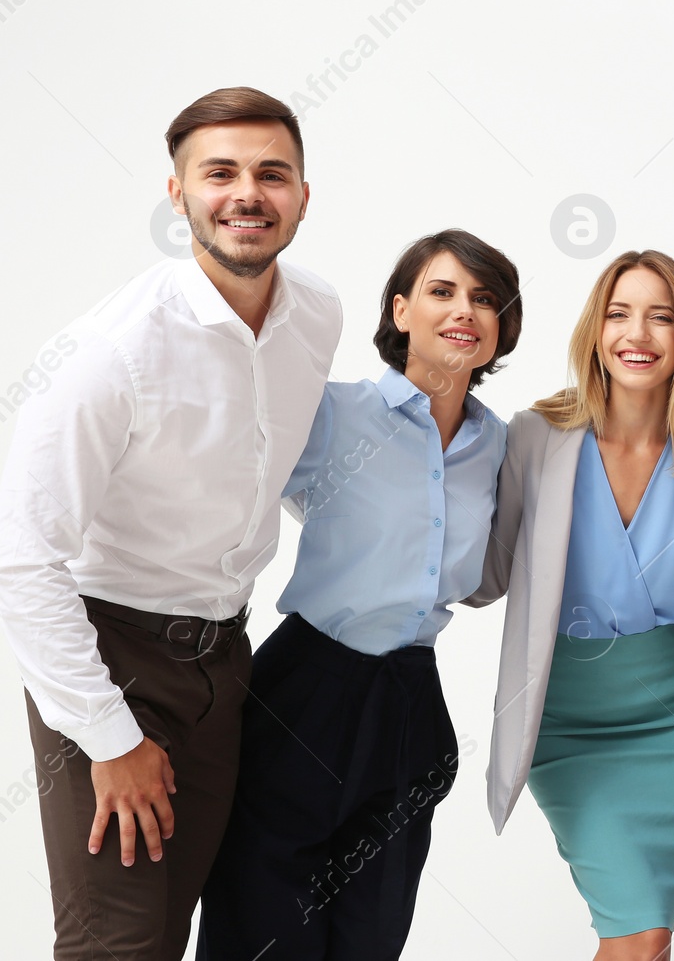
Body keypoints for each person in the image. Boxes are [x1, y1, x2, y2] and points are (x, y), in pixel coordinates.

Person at [0, 88, 341, 959]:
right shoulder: (111, 353)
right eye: (219, 173)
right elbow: (20, 561)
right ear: (177, 195)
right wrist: (109, 737)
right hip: (111, 656)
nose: (246, 193)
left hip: (226, 658)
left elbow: (278, 464)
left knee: (177, 924)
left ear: (304, 194)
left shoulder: (317, 316)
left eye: (272, 173)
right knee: (121, 940)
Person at [196, 229, 522, 959]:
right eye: (441, 291)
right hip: (307, 689)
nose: (463, 309)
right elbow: (226, 487)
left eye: (483, 298)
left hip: (410, 701)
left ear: (502, 325)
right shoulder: (333, 412)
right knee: (262, 933)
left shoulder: (498, 445)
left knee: (370, 940)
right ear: (401, 310)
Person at [471, 250, 674, 961]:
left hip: (668, 718)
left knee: (646, 938)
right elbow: (488, 574)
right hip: (564, 717)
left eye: (661, 317)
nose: (638, 334)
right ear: (595, 330)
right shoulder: (537, 435)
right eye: (619, 314)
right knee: (634, 935)